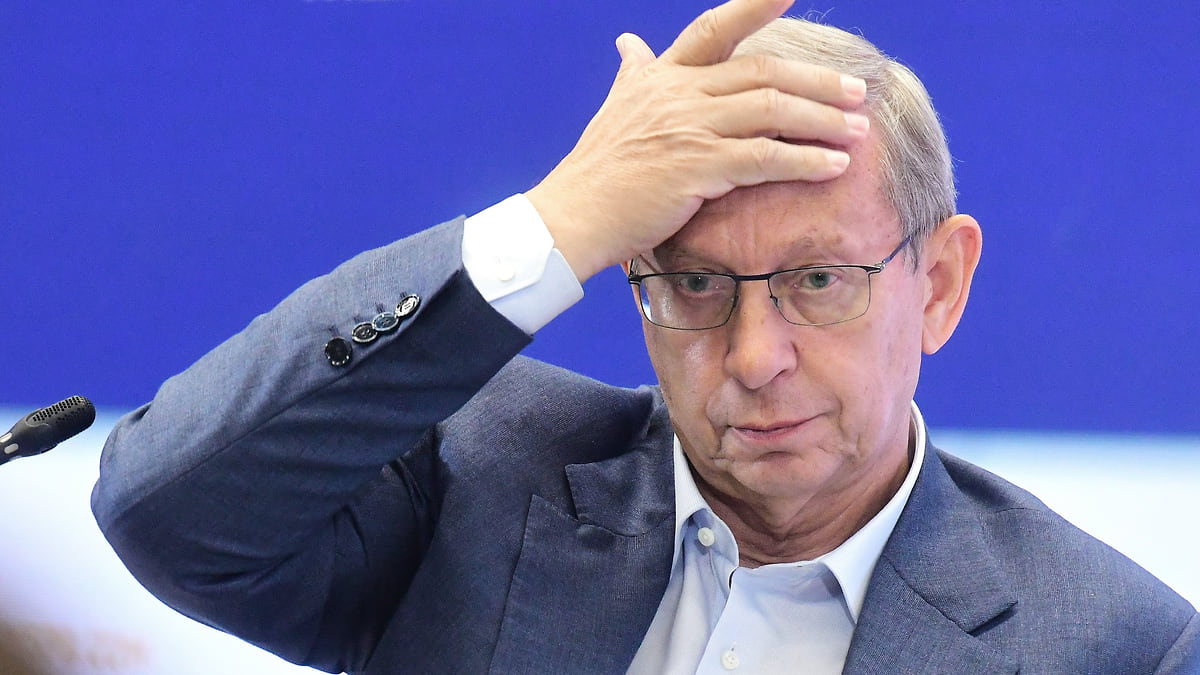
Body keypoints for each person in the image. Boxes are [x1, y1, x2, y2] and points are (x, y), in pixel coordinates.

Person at [92, 0, 1198, 673]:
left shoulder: (1116, 648)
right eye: (696, 283)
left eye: (819, 280)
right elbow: (167, 508)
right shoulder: (475, 485)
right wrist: (557, 220)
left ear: (940, 286)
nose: (755, 358)